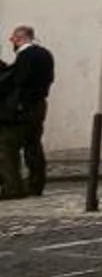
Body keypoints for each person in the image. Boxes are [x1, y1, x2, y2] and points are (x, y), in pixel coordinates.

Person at [0, 25, 56, 197]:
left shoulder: (25, 56)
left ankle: (12, 187)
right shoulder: (45, 54)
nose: (12, 43)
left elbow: (19, 82)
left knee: (7, 146)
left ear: (19, 38)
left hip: (22, 109)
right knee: (33, 146)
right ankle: (36, 185)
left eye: (12, 39)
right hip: (39, 106)